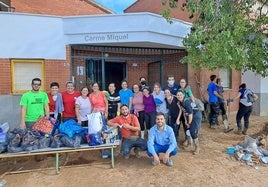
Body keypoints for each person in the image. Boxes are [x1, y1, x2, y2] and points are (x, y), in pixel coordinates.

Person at [176, 90, 202, 154]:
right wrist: (185, 121)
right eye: (178, 95)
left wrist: (189, 123)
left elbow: (190, 114)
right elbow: (183, 112)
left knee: (192, 131)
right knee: (187, 130)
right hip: (189, 116)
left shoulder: (186, 102)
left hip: (196, 116)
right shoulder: (180, 102)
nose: (179, 96)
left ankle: (197, 147)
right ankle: (190, 144)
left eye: (180, 95)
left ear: (183, 95)